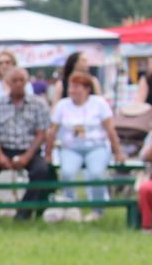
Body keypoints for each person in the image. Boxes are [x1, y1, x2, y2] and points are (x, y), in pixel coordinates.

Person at [48, 70, 120, 221]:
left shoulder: (99, 104)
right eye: (71, 87)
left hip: (96, 146)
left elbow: (110, 129)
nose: (73, 91)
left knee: (96, 174)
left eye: (77, 87)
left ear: (87, 89)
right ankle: (70, 208)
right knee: (67, 173)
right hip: (70, 147)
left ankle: (97, 210)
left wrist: (118, 151)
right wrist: (48, 153)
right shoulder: (62, 105)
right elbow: (52, 131)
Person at [0, 67, 53, 215]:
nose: (18, 84)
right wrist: (0, 156)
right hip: (3, 149)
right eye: (15, 80)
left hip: (30, 149)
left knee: (41, 170)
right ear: (7, 83)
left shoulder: (38, 104)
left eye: (22, 80)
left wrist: (27, 156)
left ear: (27, 82)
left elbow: (42, 133)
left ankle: (24, 211)